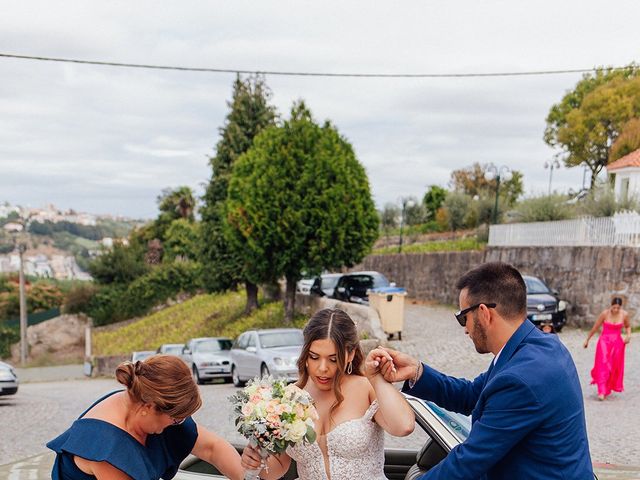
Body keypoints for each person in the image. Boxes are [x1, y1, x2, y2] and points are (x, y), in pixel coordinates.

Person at [377, 262, 593, 480]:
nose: (465, 329)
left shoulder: (521, 378)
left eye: (463, 317)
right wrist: (417, 371)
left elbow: (470, 459)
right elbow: (471, 394)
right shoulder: (536, 348)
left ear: (483, 313)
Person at [240, 308, 415, 480]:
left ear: (350, 354)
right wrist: (257, 461)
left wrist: (377, 378)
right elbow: (278, 469)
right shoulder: (290, 397)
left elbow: (404, 426)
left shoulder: (366, 387)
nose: (322, 368)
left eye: (333, 359)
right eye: (314, 357)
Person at [47, 354, 244, 480]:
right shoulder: (107, 450)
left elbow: (212, 448)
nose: (178, 423)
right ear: (149, 407)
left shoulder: (144, 404)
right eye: (176, 419)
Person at [584, 297, 631, 400]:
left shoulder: (624, 315)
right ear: (611, 306)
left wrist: (628, 335)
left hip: (617, 343)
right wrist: (587, 339)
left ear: (620, 307)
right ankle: (601, 390)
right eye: (614, 307)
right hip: (604, 341)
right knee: (603, 363)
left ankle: (607, 387)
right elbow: (595, 327)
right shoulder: (605, 314)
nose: (615, 310)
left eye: (618, 308)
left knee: (613, 366)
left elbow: (628, 326)